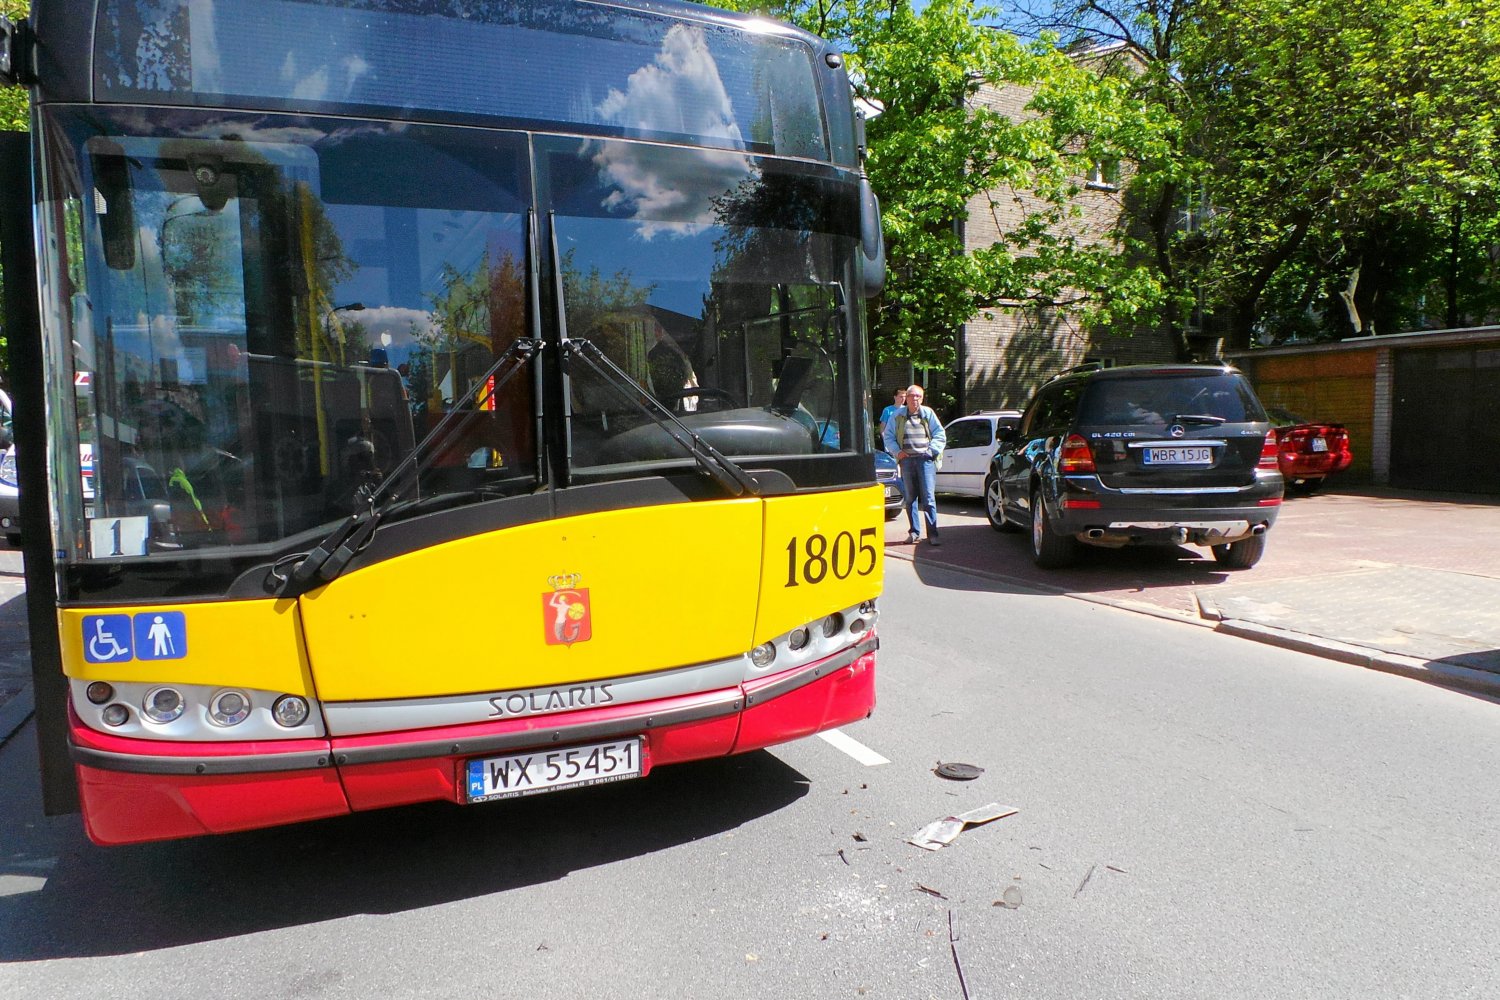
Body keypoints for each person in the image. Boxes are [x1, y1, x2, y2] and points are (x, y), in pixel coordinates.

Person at [883, 384, 946, 545]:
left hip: (926, 461)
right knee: (910, 499)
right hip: (907, 461)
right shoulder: (897, 415)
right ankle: (914, 532)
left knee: (929, 499)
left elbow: (940, 434)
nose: (915, 399)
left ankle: (933, 534)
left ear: (922, 398)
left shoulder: (928, 414)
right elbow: (888, 436)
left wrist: (931, 451)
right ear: (906, 399)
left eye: (918, 396)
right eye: (912, 396)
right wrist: (898, 452)